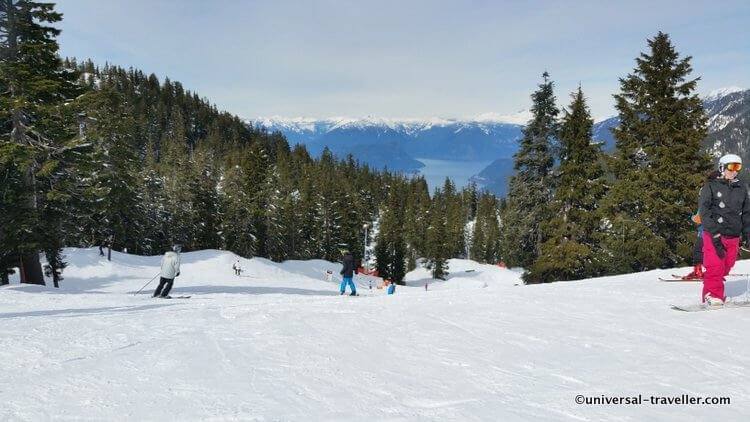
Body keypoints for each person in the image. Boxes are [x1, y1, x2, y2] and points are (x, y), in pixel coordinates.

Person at [698, 154, 750, 306]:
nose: (735, 171)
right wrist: (714, 233)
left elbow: (747, 212)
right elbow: (705, 212)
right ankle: (711, 295)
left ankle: (714, 287)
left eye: (738, 167)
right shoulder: (711, 186)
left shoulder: (741, 188)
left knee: (726, 266)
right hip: (714, 234)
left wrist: (747, 233)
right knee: (715, 266)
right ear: (722, 167)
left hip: (733, 236)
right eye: (731, 167)